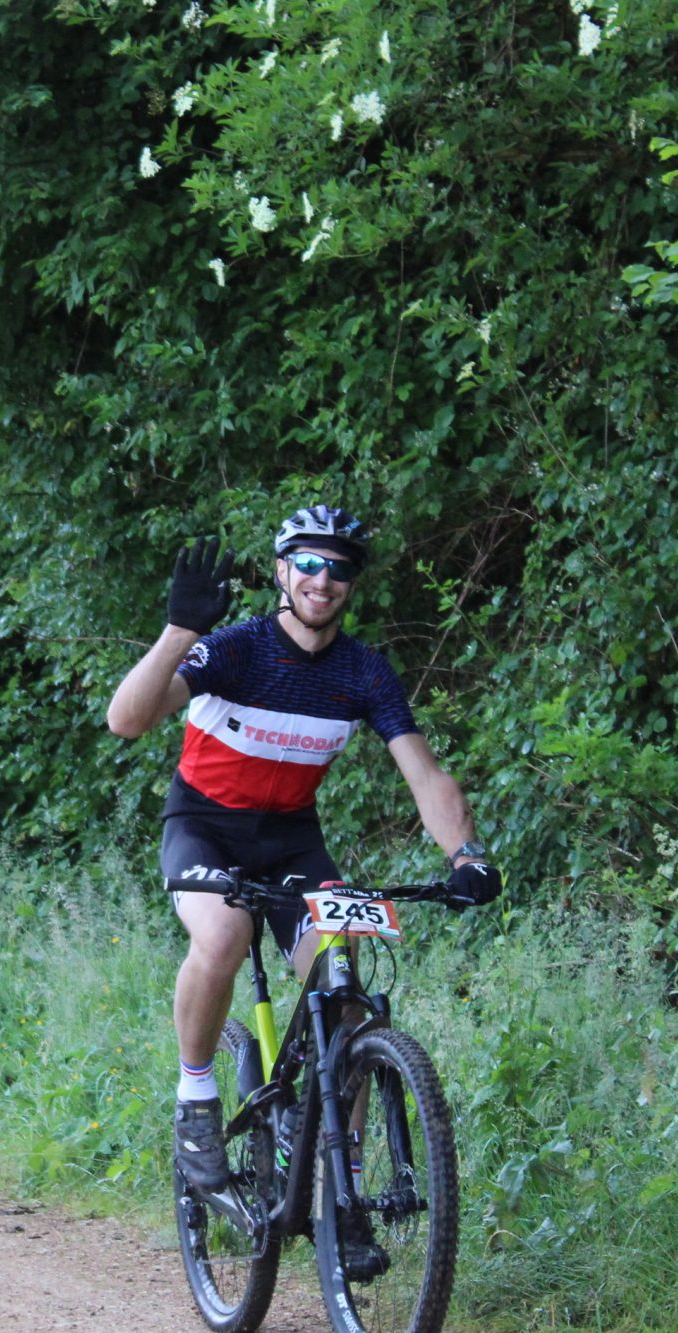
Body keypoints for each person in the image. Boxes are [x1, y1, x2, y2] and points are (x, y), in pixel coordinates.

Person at [104, 504, 500, 1262]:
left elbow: (425, 775)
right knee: (224, 934)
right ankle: (196, 1097)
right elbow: (126, 720)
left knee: (344, 989)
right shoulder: (235, 649)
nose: (324, 579)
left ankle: (338, 1191)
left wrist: (466, 854)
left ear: (352, 583)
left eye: (339, 567)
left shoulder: (363, 672)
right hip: (204, 828)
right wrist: (179, 632)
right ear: (283, 571)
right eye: (308, 563)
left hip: (291, 840)